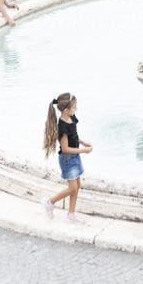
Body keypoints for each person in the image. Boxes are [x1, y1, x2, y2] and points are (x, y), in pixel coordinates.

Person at [42, 92, 91, 221]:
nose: (76, 109)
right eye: (74, 107)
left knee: (77, 185)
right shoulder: (62, 126)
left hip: (75, 157)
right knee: (72, 187)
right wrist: (83, 150)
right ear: (65, 110)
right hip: (67, 159)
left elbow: (73, 136)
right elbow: (65, 149)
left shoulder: (71, 118)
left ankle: (71, 214)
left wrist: (83, 142)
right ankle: (50, 202)